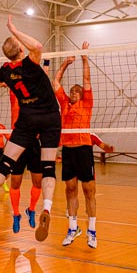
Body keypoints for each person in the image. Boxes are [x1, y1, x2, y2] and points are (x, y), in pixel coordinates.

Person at [0, 15, 61, 243]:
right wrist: (14, 28)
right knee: (48, 167)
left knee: (5, 164)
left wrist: (5, 81)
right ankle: (46, 209)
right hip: (49, 118)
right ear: (21, 47)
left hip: (26, 119)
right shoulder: (31, 63)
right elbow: (38, 46)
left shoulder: (5, 71)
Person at [54, 41, 100, 249]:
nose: (72, 93)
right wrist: (65, 63)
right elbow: (55, 82)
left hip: (83, 150)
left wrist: (84, 58)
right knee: (70, 189)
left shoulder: (86, 103)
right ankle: (72, 229)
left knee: (89, 190)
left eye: (76, 91)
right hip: (68, 152)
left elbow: (87, 79)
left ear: (82, 95)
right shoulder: (64, 103)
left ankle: (92, 231)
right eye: (71, 91)